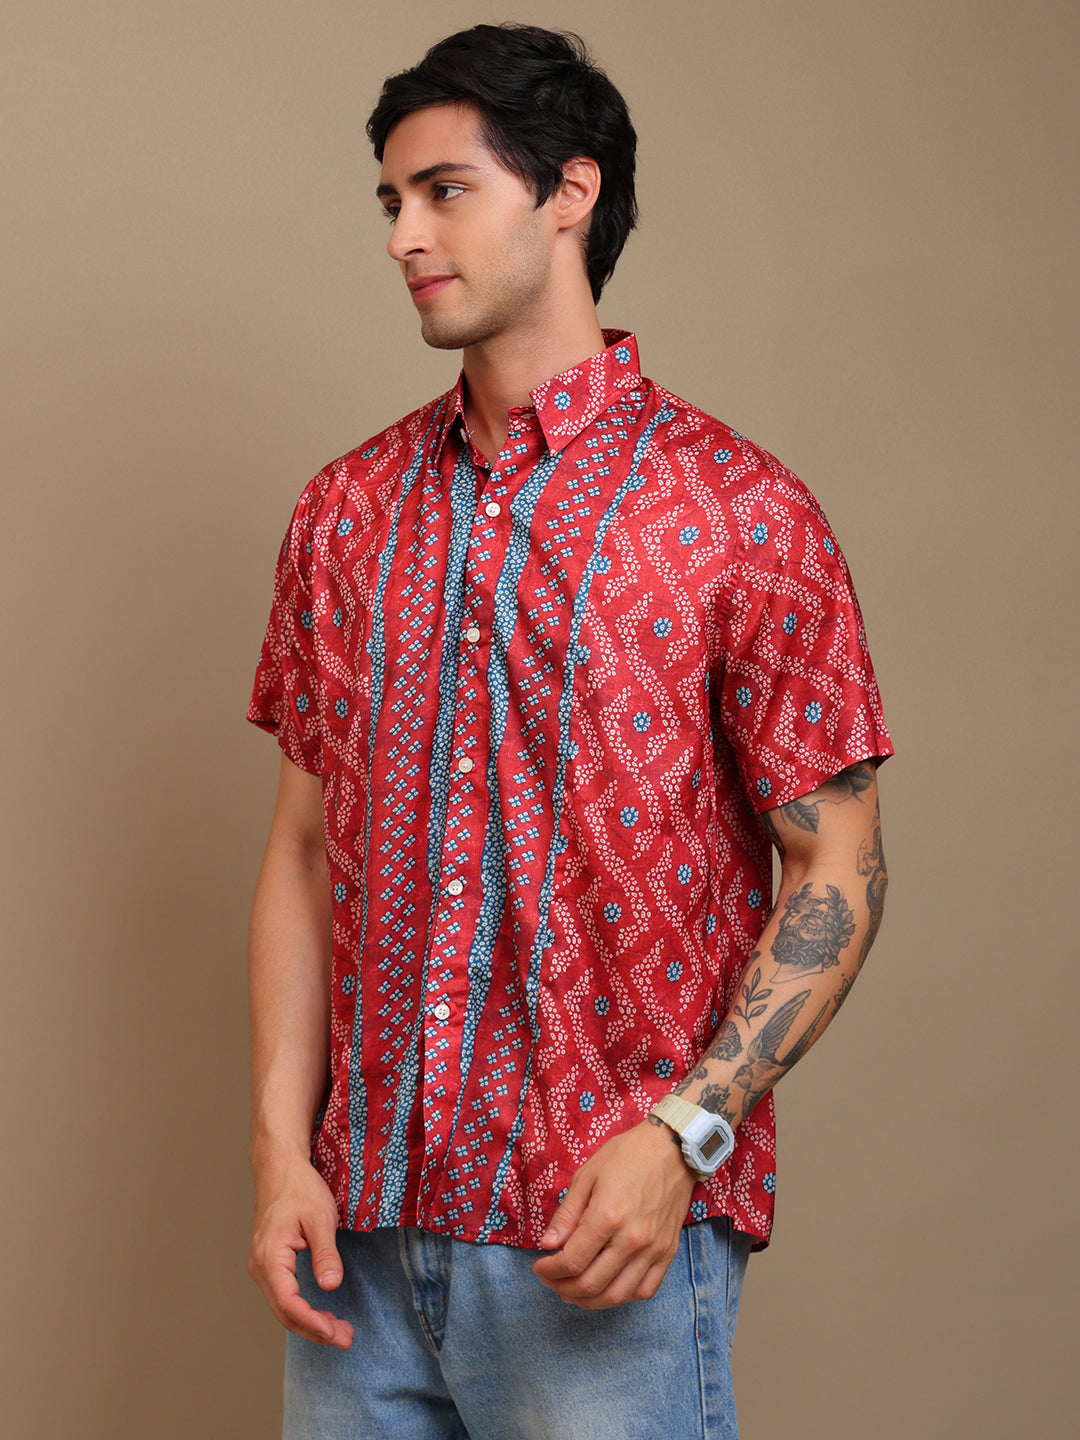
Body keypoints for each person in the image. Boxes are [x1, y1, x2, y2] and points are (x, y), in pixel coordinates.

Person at [246, 23, 892, 1440]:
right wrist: (281, 1158)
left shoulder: (739, 514)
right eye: (390, 203)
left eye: (445, 190)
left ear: (570, 192)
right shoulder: (341, 517)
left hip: (600, 1259)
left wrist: (687, 1139)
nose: (407, 234)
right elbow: (300, 857)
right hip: (355, 1247)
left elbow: (838, 872)